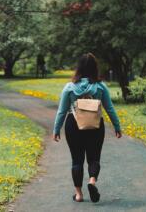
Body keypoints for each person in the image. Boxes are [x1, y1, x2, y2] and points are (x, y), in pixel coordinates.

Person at [52, 53, 122, 203]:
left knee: (77, 160)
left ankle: (79, 195)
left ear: (79, 68)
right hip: (95, 126)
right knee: (94, 157)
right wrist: (117, 126)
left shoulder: (69, 87)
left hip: (74, 125)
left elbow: (62, 111)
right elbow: (110, 109)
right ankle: (92, 182)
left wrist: (56, 129)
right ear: (94, 68)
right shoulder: (100, 87)